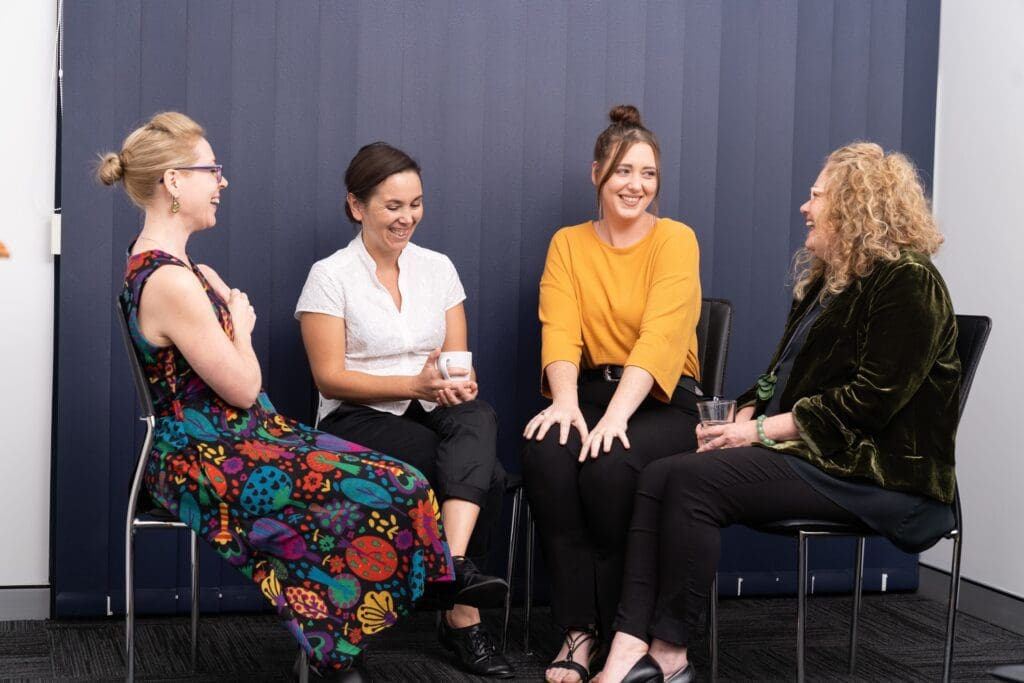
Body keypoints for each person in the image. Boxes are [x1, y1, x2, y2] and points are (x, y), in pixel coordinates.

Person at [102, 112, 454, 682]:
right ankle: (341, 654)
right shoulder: (169, 279)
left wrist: (226, 318)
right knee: (371, 489)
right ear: (173, 182)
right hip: (200, 453)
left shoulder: (180, 268)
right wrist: (240, 322)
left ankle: (368, 627)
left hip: (241, 435)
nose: (221, 181)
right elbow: (243, 387)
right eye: (210, 169)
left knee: (400, 480)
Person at [596, 142, 960, 683]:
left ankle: (670, 657)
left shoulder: (909, 281)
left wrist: (756, 432)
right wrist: (740, 413)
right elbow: (776, 381)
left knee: (694, 484)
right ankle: (628, 649)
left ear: (855, 206)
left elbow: (867, 405)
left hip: (880, 476)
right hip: (820, 456)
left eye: (816, 196)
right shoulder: (828, 283)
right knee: (660, 473)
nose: (804, 207)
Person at [294, 142, 514, 678]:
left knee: (479, 417)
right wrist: (414, 380)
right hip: (357, 413)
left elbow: (457, 360)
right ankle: (462, 616)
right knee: (485, 474)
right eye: (393, 205)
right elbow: (329, 377)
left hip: (431, 402)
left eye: (415, 204)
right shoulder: (330, 276)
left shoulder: (438, 269)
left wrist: (458, 383)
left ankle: (453, 569)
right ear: (357, 206)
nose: (407, 217)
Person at [522, 105, 703, 683]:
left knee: (607, 465)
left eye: (648, 173)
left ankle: (627, 631)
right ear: (597, 172)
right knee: (547, 454)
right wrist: (566, 403)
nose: (636, 185)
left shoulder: (676, 240)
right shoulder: (569, 244)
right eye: (624, 171)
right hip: (590, 393)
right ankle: (578, 632)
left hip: (663, 400)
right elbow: (560, 327)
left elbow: (659, 339)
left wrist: (615, 417)